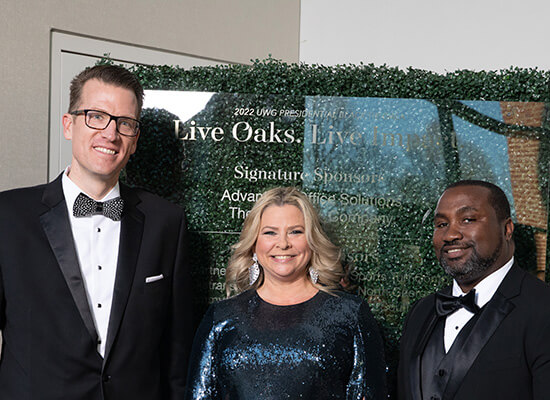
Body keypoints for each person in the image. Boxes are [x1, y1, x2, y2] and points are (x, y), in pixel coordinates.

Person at [0, 65, 193, 399]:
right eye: (96, 116)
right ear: (68, 124)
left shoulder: (167, 222)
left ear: (134, 141)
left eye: (125, 123)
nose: (111, 133)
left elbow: (176, 352)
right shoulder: (8, 216)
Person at [185, 186, 387, 400]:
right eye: (270, 232)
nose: (283, 244)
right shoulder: (221, 317)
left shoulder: (349, 314)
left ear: (312, 241)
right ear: (254, 245)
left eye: (295, 232)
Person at [397, 180, 550, 400]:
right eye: (441, 224)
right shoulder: (420, 312)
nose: (450, 235)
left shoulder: (543, 308)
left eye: (467, 220)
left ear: (506, 229)